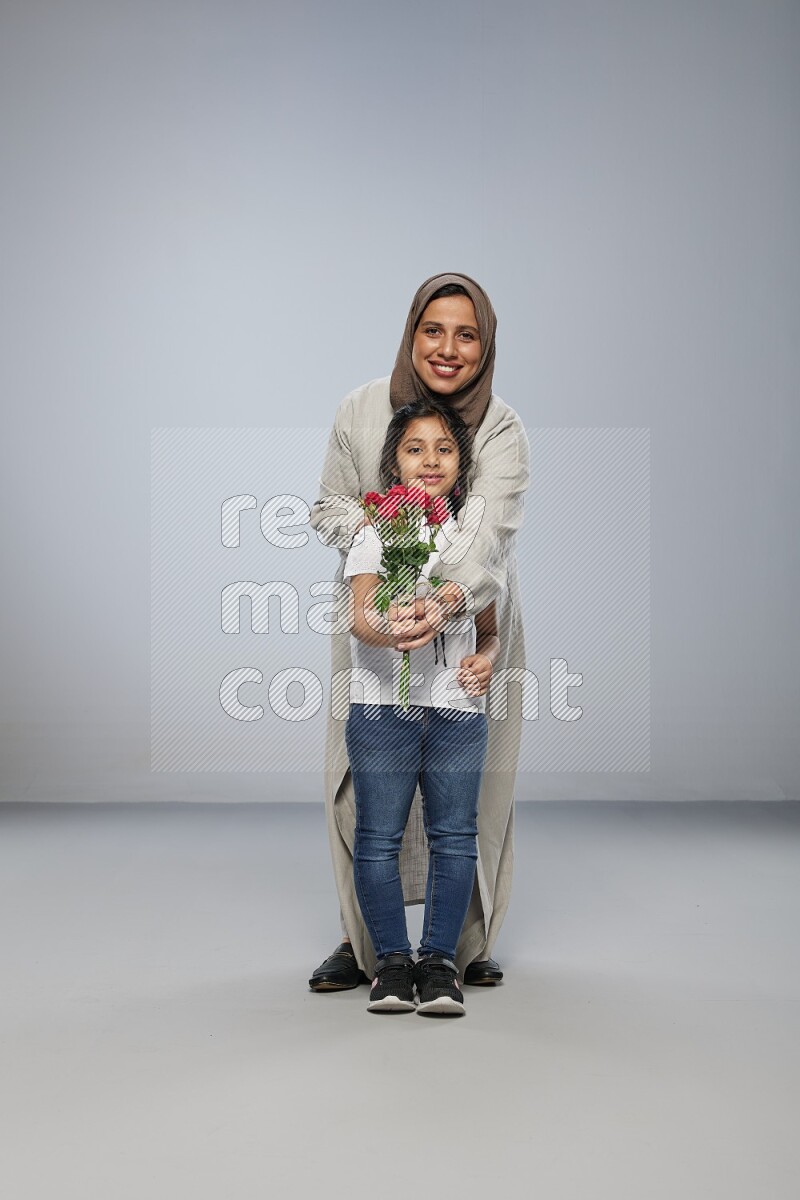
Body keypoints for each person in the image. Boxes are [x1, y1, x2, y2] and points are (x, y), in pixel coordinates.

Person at [308, 271, 530, 991]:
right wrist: (387, 524)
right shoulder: (361, 408)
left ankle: (458, 948)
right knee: (362, 794)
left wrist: (447, 598)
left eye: (467, 335)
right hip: (378, 613)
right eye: (433, 330)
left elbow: (490, 531)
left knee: (470, 798)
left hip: (472, 610)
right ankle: (367, 946)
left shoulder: (501, 426)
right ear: (411, 334)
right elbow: (329, 507)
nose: (448, 348)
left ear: (485, 347)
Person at [344, 398, 500, 1015]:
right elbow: (361, 619)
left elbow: (489, 631)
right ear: (394, 464)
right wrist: (394, 632)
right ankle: (391, 964)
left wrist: (486, 659)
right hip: (382, 707)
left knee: (455, 835)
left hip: (456, 710)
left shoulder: (475, 541)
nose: (430, 460)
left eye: (444, 448)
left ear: (461, 464)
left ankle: (438, 964)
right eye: (415, 448)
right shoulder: (374, 531)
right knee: (378, 836)